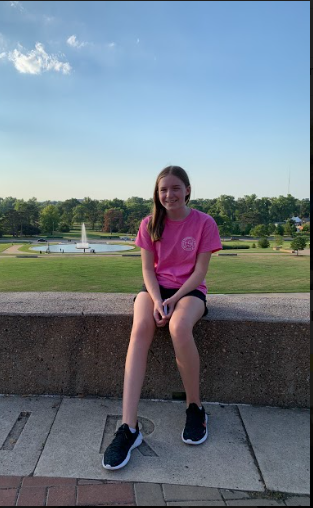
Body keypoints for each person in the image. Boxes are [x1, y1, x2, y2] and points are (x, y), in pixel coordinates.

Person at [102, 165, 222, 471]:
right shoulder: (150, 223)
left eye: (175, 188)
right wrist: (157, 300)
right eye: (163, 189)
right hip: (155, 289)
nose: (169, 194)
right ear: (158, 194)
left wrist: (173, 299)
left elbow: (199, 273)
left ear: (188, 190)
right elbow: (146, 270)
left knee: (179, 327)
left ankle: (195, 408)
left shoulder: (204, 223)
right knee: (140, 327)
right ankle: (129, 427)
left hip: (190, 291)